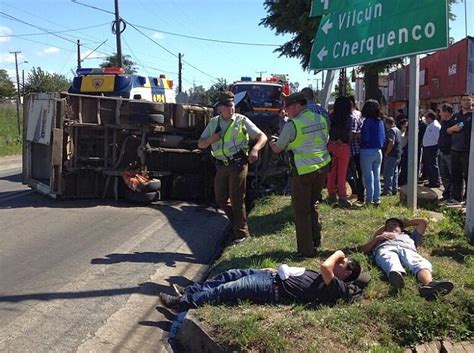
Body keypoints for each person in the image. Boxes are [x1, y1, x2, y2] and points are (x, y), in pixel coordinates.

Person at [158, 250, 369, 313]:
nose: (341, 261)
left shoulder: (338, 287)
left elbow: (325, 265)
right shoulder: (330, 279)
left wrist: (339, 253)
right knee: (228, 275)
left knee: (226, 289)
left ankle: (182, 304)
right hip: (271, 276)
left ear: (347, 273)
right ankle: (190, 292)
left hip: (272, 288)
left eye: (345, 263)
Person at [198, 91, 267, 243]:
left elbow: (262, 136)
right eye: (228, 106)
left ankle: (242, 234)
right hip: (221, 165)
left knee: (237, 198)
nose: (231, 108)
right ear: (219, 108)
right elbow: (200, 143)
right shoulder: (214, 122)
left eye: (232, 105)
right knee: (221, 198)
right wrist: (212, 139)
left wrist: (255, 149)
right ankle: (238, 224)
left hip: (238, 164)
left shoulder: (242, 121)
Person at [270, 92, 331, 257]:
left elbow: (278, 148)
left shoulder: (293, 125)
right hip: (322, 167)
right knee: (312, 204)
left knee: (301, 211)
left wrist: (272, 142)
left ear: (297, 106)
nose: (286, 112)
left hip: (304, 171)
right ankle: (316, 240)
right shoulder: (321, 118)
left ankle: (305, 250)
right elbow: (324, 140)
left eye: (287, 108)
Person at [362, 217, 454, 299]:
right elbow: (364, 250)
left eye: (394, 225)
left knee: (418, 262)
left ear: (401, 228)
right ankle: (396, 277)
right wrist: (379, 237)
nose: (391, 227)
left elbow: (423, 221)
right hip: (386, 248)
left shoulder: (410, 236)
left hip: (407, 249)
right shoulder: (380, 238)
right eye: (388, 226)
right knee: (389, 259)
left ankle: (430, 284)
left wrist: (403, 224)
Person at [326, 96, 353, 207]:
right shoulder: (348, 117)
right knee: (342, 173)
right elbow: (349, 132)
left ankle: (331, 194)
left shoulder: (331, 115)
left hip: (332, 145)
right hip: (343, 146)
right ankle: (342, 196)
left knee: (331, 171)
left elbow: (328, 129)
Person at [446, 94, 473, 203]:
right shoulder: (456, 115)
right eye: (464, 100)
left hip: (468, 151)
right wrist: (453, 128)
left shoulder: (472, 115)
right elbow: (448, 130)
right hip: (455, 149)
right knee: (456, 175)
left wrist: (456, 128)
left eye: (468, 100)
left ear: (472, 101)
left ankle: (468, 199)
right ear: (460, 102)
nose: (466, 102)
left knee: (468, 176)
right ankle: (457, 198)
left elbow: (462, 127)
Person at [359, 100, 385, 206]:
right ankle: (376, 199)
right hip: (378, 151)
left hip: (367, 150)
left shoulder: (367, 121)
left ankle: (369, 200)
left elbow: (365, 137)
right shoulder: (380, 122)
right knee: (376, 177)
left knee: (368, 177)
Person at [347, 95, 365, 204]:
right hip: (360, 149)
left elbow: (352, 134)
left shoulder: (352, 116)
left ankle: (358, 193)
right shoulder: (360, 114)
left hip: (352, 150)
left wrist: (345, 146)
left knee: (352, 174)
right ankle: (360, 193)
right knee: (360, 173)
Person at [382, 116, 402, 196]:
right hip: (397, 154)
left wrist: (386, 153)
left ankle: (387, 191)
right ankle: (394, 189)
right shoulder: (398, 130)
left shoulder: (391, 131)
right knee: (395, 173)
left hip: (391, 154)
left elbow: (391, 142)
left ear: (387, 123)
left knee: (388, 173)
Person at [438, 104, 454, 202]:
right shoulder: (443, 122)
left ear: (447, 112)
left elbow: (463, 124)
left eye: (441, 112)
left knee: (453, 175)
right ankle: (446, 194)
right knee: (444, 175)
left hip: (450, 153)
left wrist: (453, 128)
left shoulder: (454, 121)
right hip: (442, 152)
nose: (440, 114)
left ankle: (453, 195)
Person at [421, 110, 441, 188]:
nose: (425, 119)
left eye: (426, 118)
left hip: (432, 148)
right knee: (429, 165)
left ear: (430, 118)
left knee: (432, 165)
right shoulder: (430, 125)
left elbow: (438, 138)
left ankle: (435, 182)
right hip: (427, 147)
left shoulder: (435, 126)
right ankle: (431, 180)